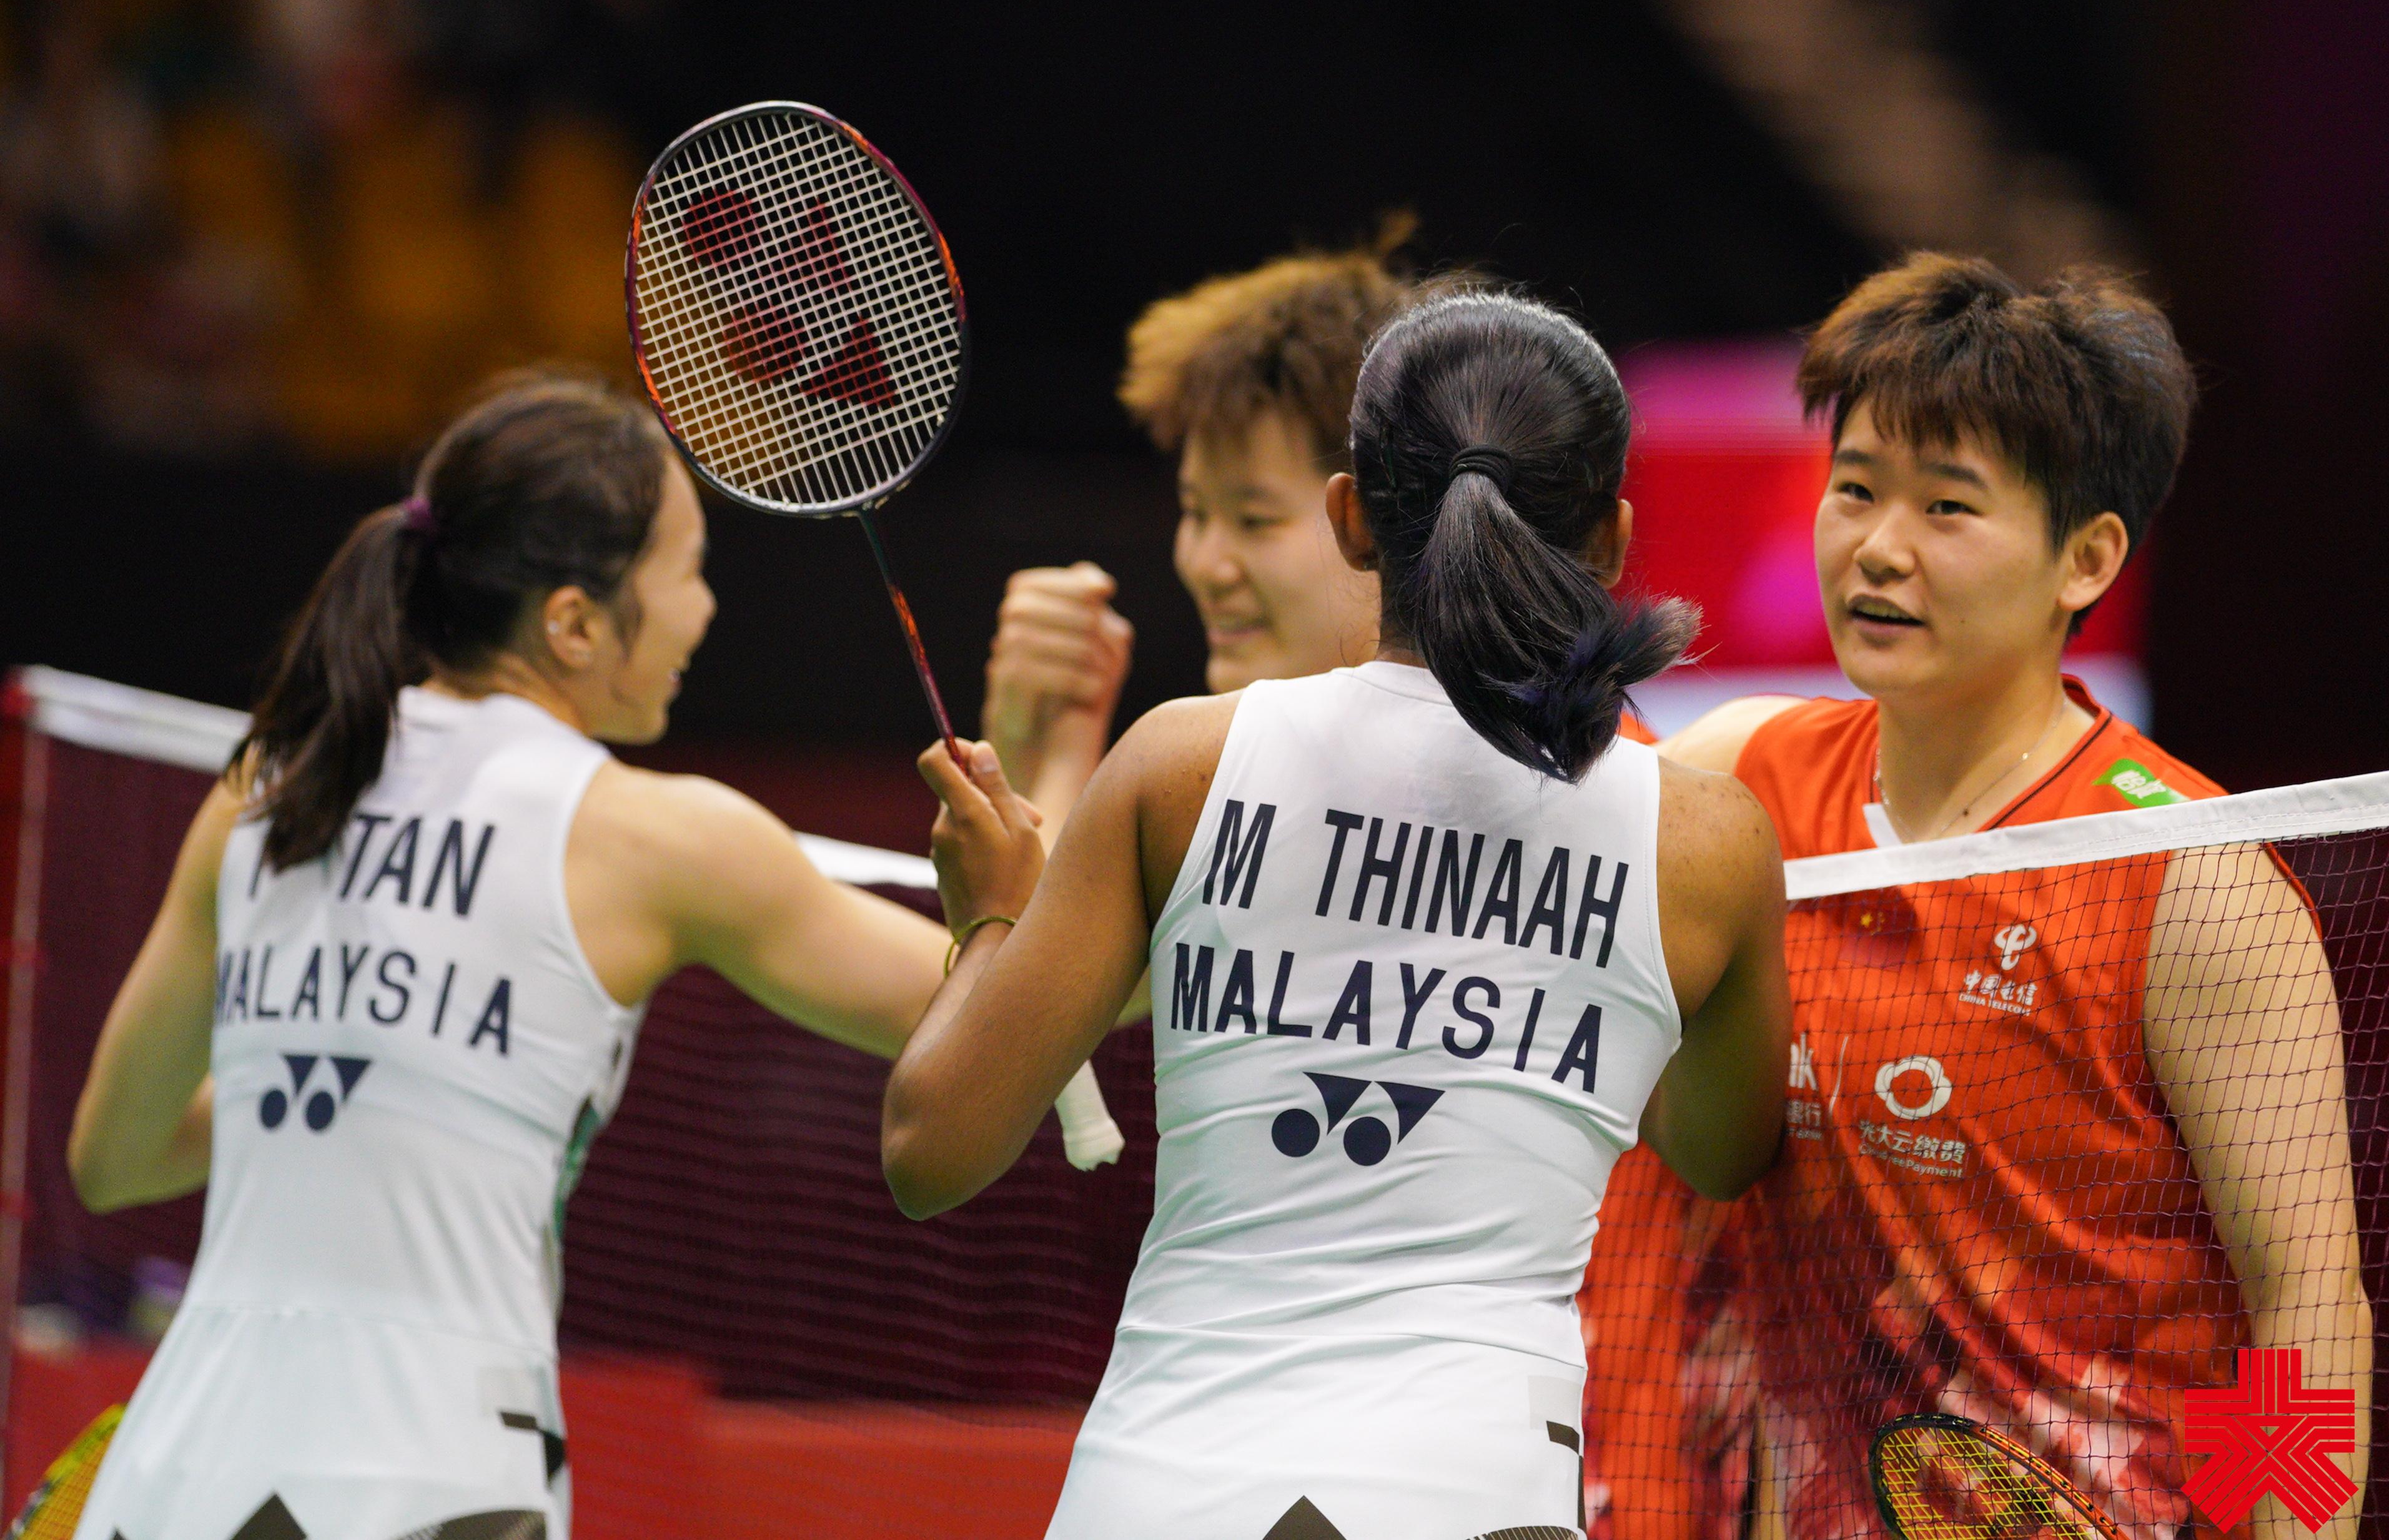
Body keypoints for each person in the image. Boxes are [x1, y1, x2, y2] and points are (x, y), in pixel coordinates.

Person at [882, 292, 1791, 1537]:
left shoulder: (1179, 766)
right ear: (1615, 535)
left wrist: (990, 917)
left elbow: (930, 1148)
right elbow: (1723, 1150)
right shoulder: (1703, 843)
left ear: (1350, 517)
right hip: (1478, 1491)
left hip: (1164, 1486)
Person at [66, 375, 962, 1540]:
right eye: (689, 569)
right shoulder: (654, 838)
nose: (706, 610)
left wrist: (358, 1071)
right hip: (435, 1483)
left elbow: (115, 1157)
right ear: (575, 622)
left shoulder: (268, 788)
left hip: (179, 1473)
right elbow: (999, 1011)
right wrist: (1047, 839)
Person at [1585, 254, 2371, 1540]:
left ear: (2086, 559)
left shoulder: (2197, 886)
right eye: (1854, 489)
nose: (1878, 548)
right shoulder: (1734, 782)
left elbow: (2307, 1307)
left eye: (1948, 506)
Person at [977, 233, 1425, 834]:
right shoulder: (1224, 773)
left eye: (1255, 519)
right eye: (1195, 511)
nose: (1206, 565)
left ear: (1380, 522)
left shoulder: (1464, 793)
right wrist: (1029, 752)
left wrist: (1058, 774)